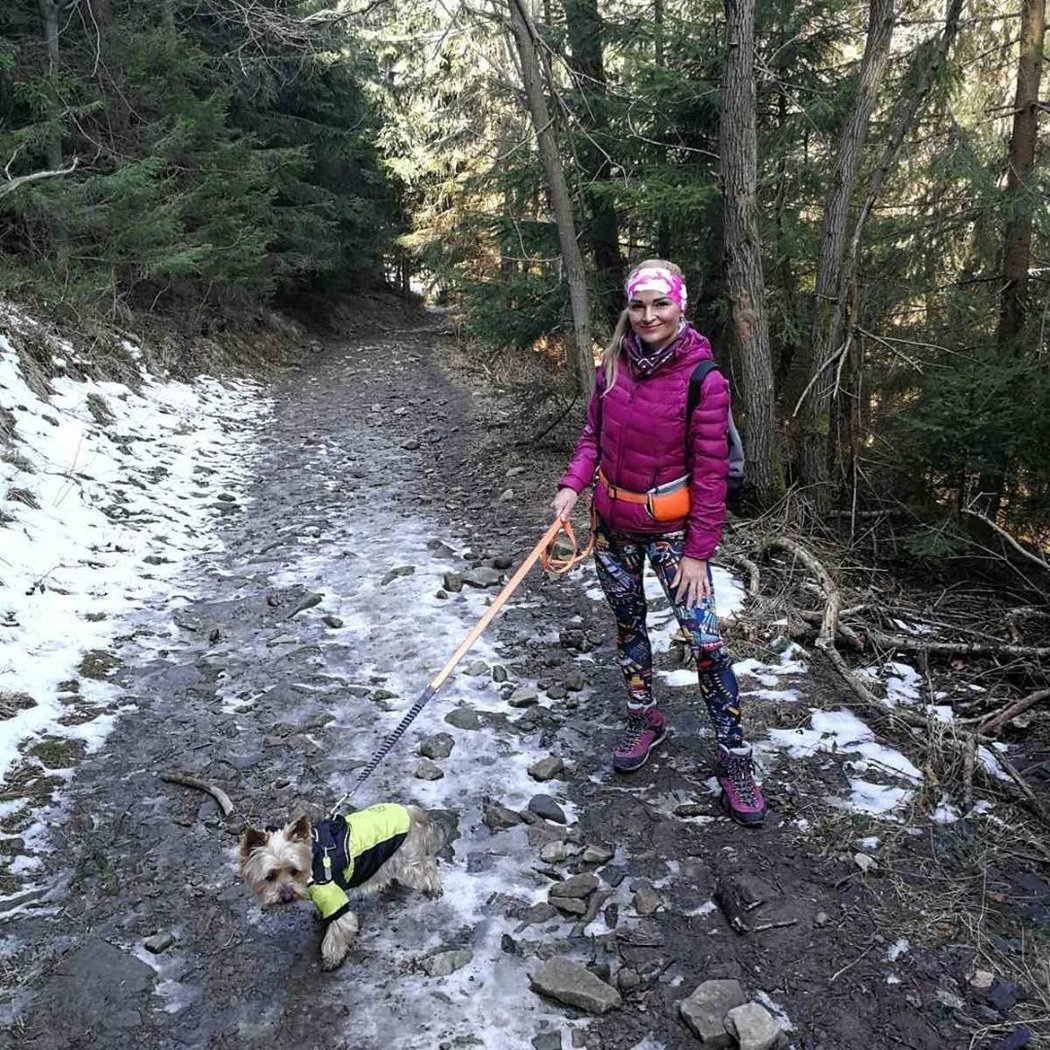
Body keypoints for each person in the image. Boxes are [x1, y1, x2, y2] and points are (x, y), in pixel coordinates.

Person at [551, 260, 766, 826]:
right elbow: (593, 435)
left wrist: (699, 552)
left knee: (706, 643)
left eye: (659, 305)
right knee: (628, 628)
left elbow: (713, 475)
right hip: (612, 528)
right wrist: (572, 486)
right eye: (639, 306)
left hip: (675, 535)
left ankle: (734, 757)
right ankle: (645, 716)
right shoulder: (613, 364)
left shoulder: (704, 379)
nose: (648, 316)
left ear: (680, 306)